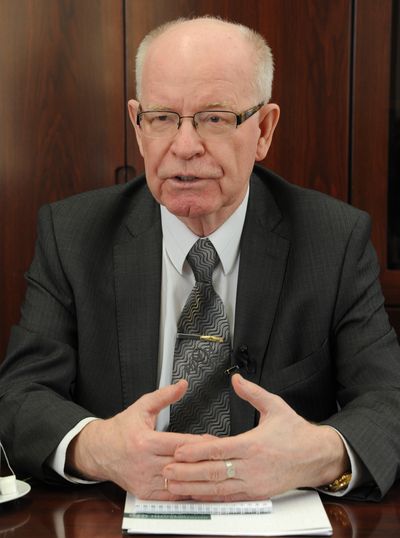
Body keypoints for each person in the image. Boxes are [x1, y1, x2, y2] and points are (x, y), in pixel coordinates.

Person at [1, 16, 400, 503]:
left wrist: (315, 455)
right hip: (113, 515)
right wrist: (99, 448)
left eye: (215, 118)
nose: (185, 147)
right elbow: (18, 398)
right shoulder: (73, 235)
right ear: (138, 126)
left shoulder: (333, 240)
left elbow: (389, 402)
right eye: (162, 118)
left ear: (264, 129)